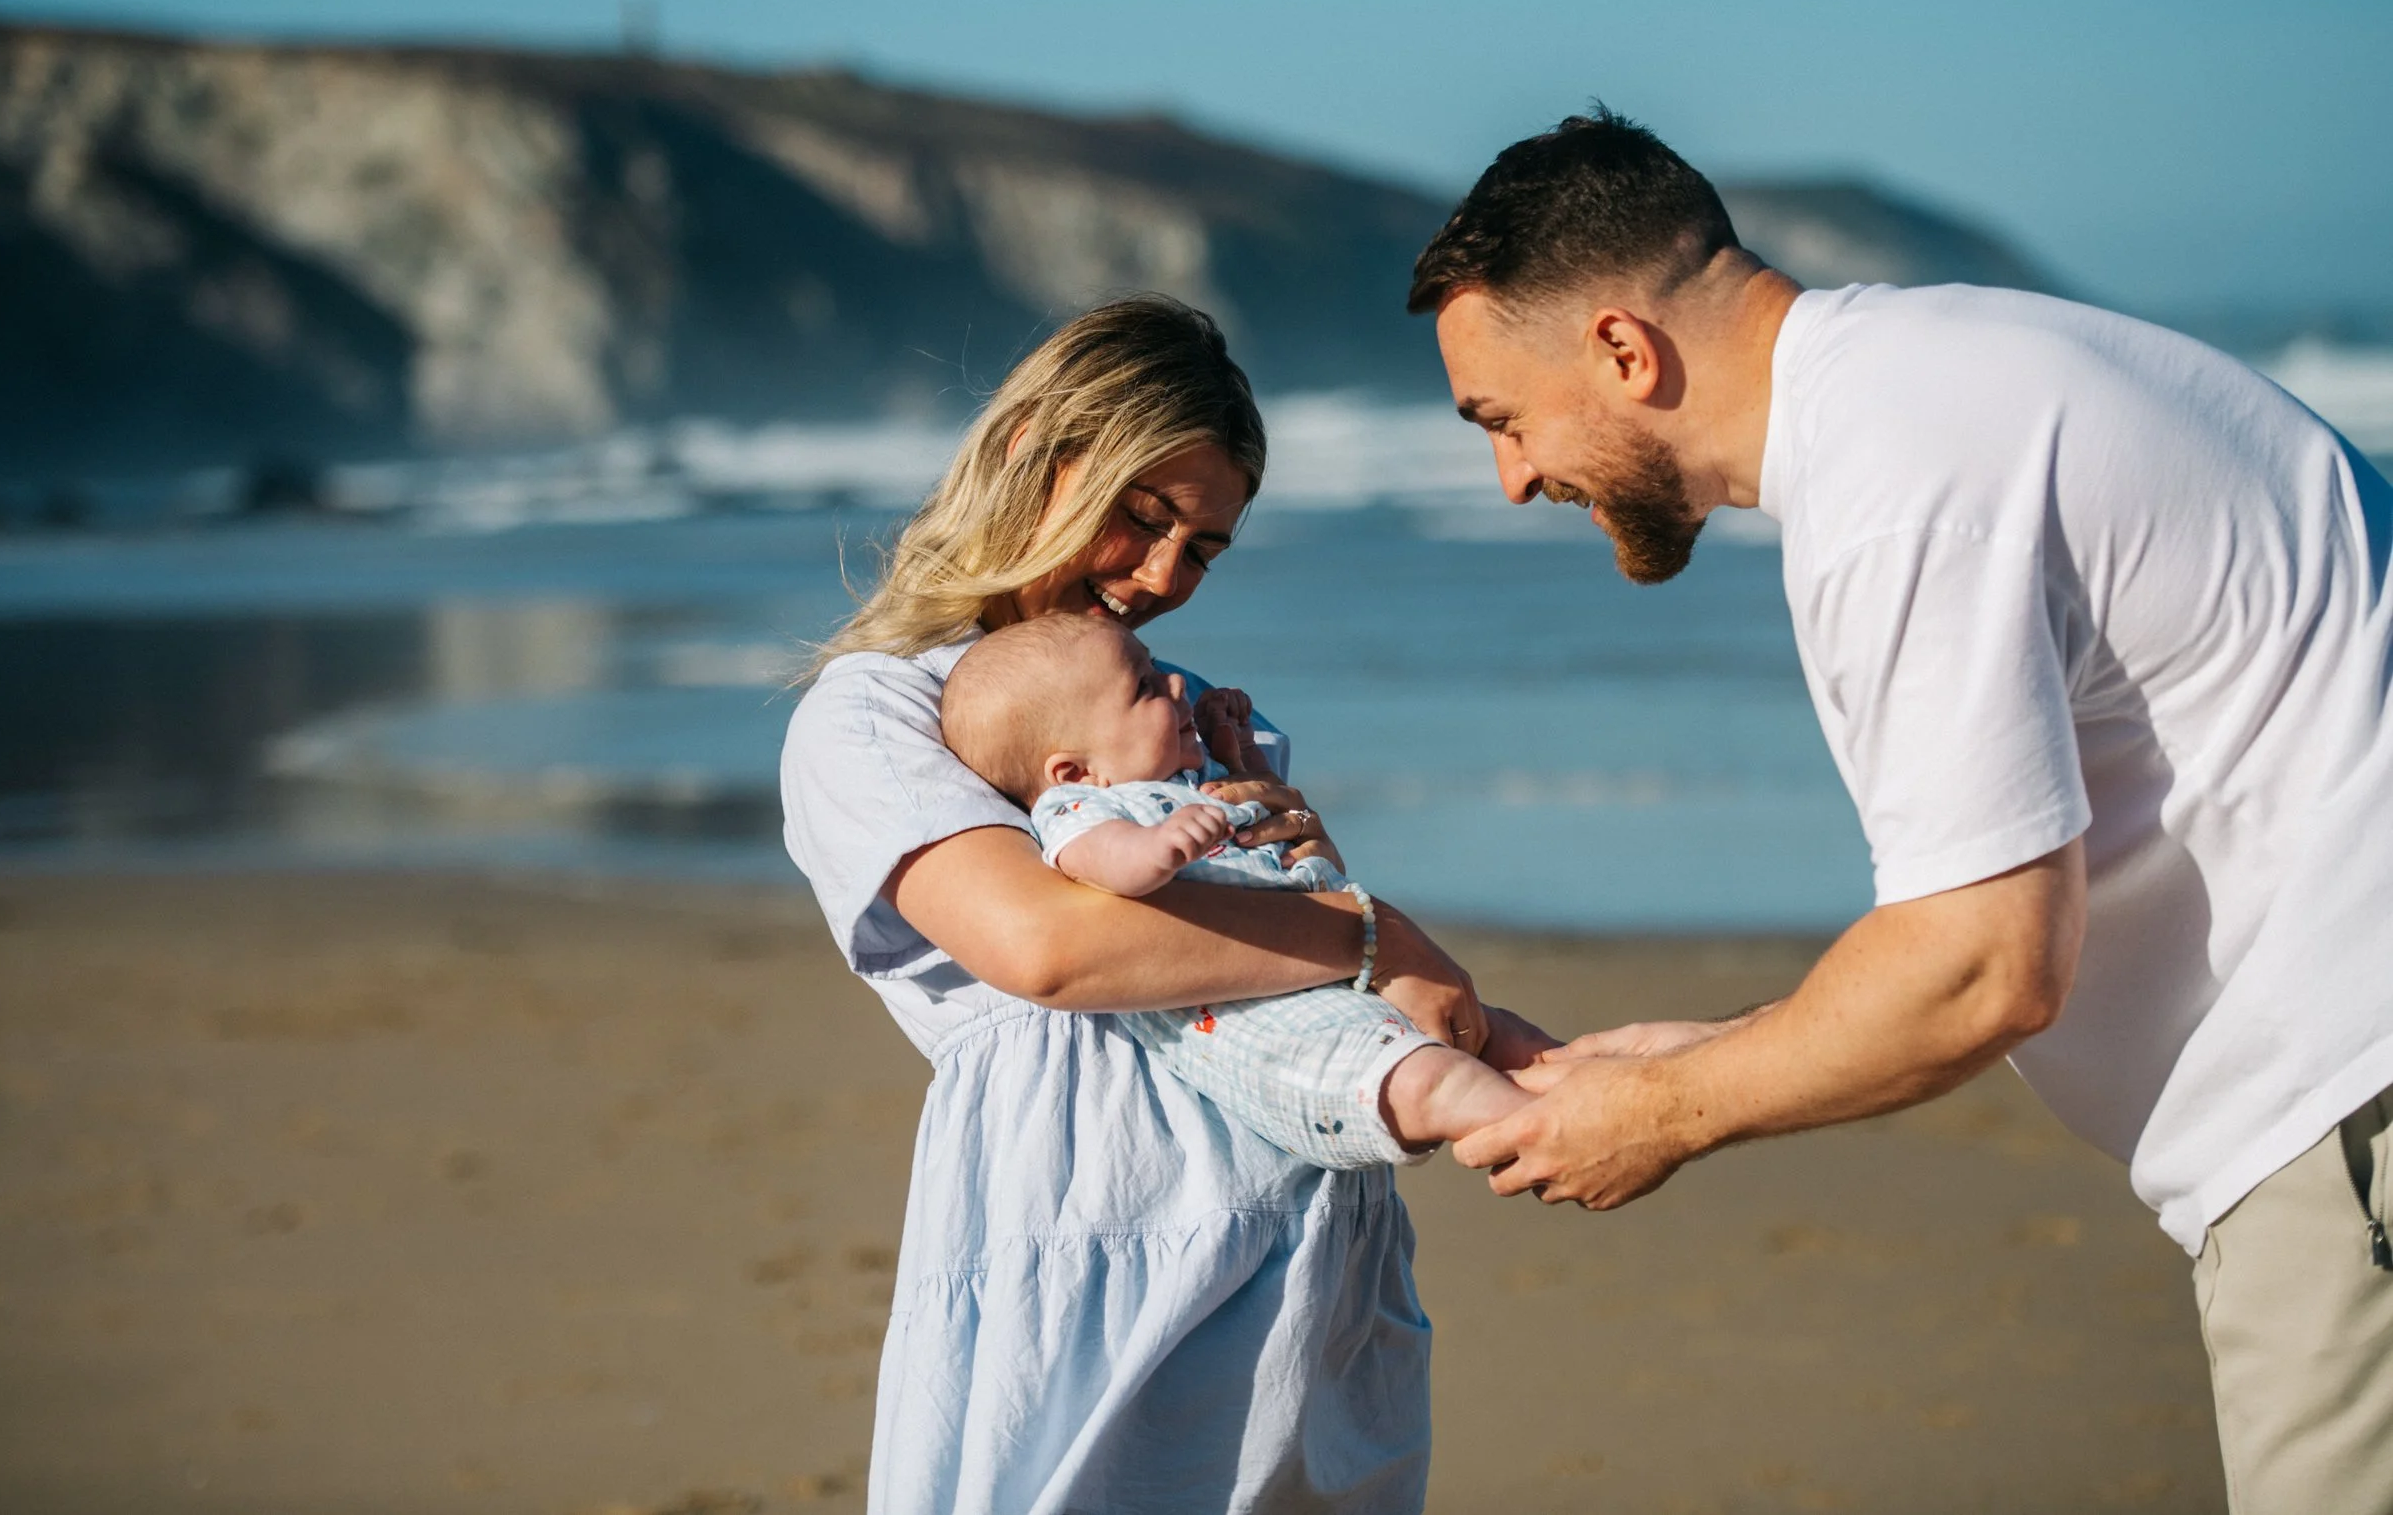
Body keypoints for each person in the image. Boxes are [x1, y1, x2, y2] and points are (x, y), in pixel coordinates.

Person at [1411, 108, 2393, 1512]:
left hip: (2352, 1095)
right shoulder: (1927, 381)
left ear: (1624, 350)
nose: (1512, 477)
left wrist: (1667, 1108)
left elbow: (1987, 965)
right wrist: (1736, 1039)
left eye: (1502, 418)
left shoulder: (1897, 486)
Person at [777, 295, 1518, 1515]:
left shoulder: (1182, 713)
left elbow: (1288, 935)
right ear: (1030, 454)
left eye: (1205, 546)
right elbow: (1048, 948)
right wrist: (1381, 937)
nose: (1165, 576)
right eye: (1141, 516)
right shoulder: (875, 715)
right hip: (1098, 1217)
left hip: (1311, 1200)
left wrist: (1331, 891)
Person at [938, 611, 1540, 1162]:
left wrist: (1234, 749)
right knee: (1430, 1081)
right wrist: (1159, 848)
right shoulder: (1083, 807)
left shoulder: (1188, 779)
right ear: (1073, 770)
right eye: (1145, 687)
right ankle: (1542, 1126)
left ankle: (1570, 1072)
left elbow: (1265, 822)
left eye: (1156, 667)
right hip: (1272, 1029)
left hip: (1329, 975)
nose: (1176, 686)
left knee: (1484, 1026)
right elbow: (1100, 863)